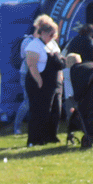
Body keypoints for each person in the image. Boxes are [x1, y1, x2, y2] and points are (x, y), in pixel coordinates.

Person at [22, 15, 65, 145]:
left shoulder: (53, 45)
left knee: (55, 111)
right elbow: (31, 65)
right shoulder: (34, 45)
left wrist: (60, 78)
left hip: (55, 83)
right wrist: (39, 81)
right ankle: (36, 139)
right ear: (43, 33)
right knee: (40, 111)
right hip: (40, 82)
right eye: (51, 33)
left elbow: (59, 63)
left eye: (55, 33)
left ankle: (51, 136)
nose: (53, 36)